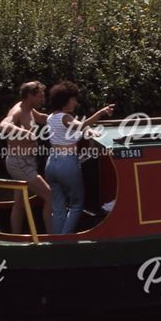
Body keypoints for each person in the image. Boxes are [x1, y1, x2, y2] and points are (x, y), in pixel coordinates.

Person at [44, 81, 114, 235]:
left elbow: (77, 129)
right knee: (77, 205)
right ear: (66, 101)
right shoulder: (65, 117)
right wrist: (101, 113)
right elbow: (82, 125)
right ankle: (65, 240)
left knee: (58, 207)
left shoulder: (51, 117)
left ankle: (56, 241)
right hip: (66, 163)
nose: (75, 102)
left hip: (51, 163)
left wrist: (90, 131)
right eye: (73, 99)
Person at [0, 81, 51, 234]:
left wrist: (63, 119)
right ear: (30, 96)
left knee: (19, 202)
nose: (43, 99)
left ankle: (15, 236)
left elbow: (42, 118)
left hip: (25, 161)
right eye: (40, 96)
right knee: (51, 196)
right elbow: (3, 125)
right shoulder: (18, 110)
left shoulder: (30, 109)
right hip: (20, 163)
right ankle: (53, 236)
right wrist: (25, 133)